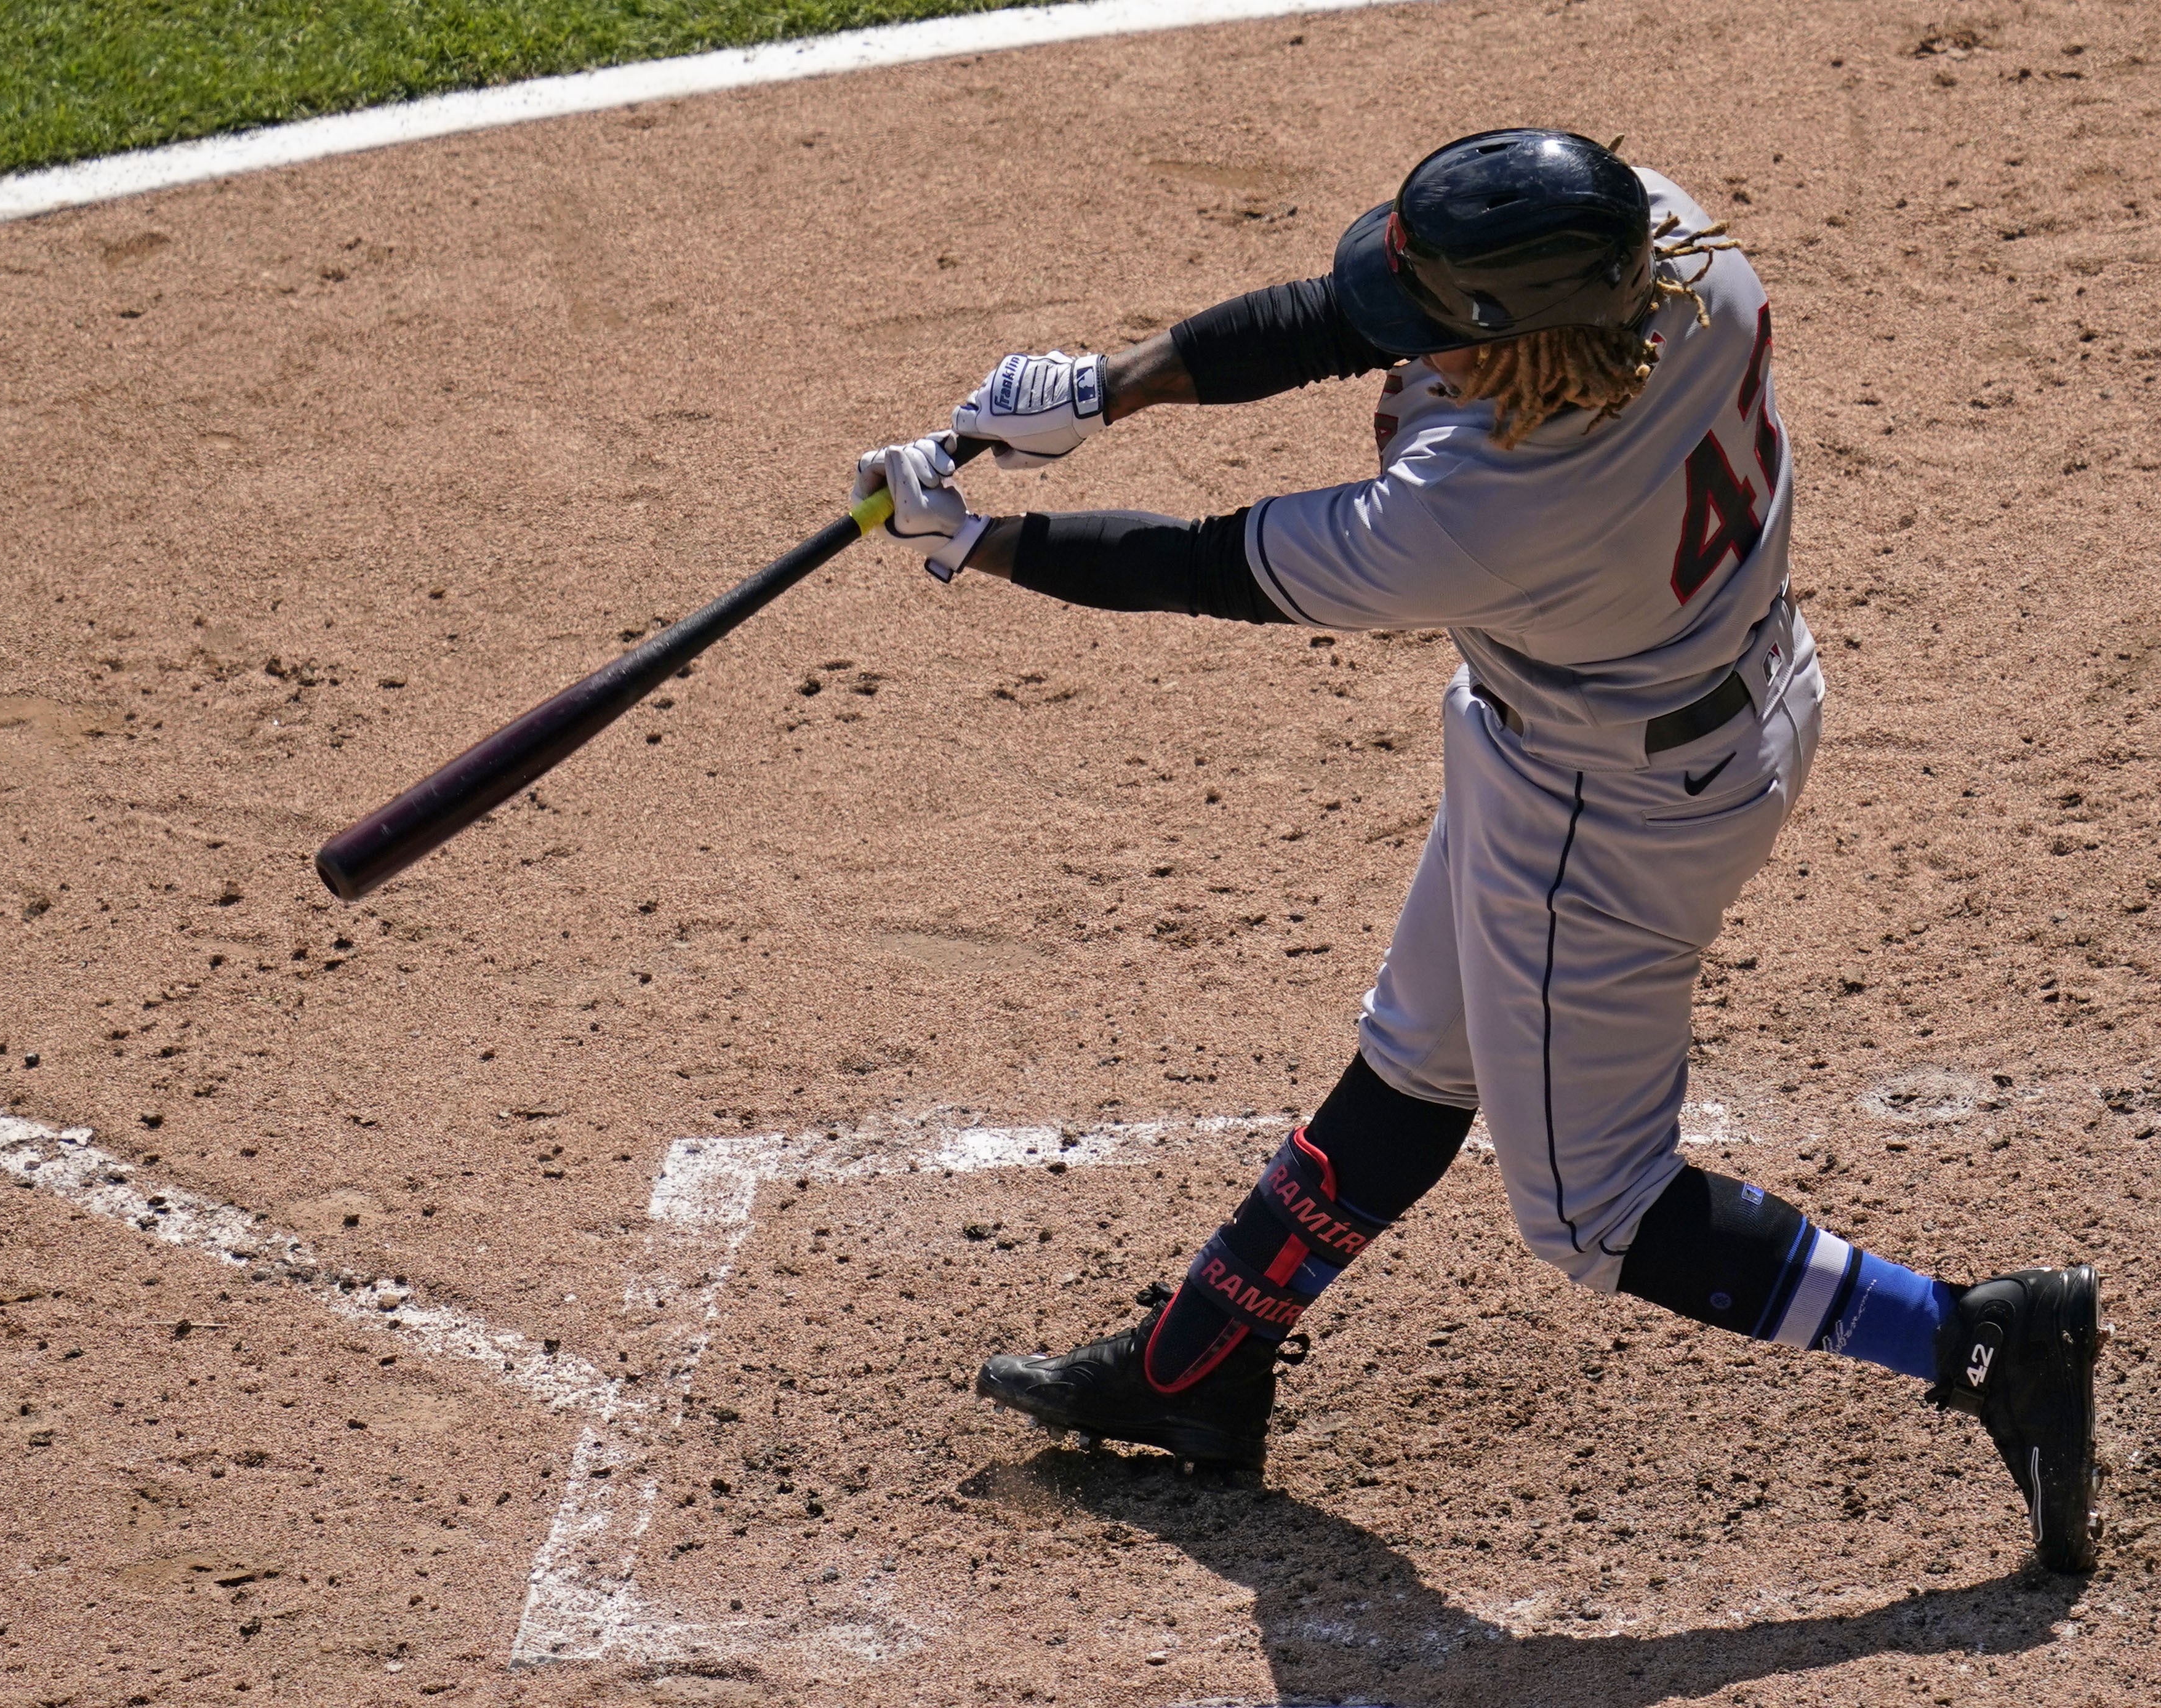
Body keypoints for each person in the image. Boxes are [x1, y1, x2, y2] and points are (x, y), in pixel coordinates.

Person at [850, 129, 2104, 1573]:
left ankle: (1976, 1336)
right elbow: (1352, 312)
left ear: (1512, 332)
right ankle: (1195, 1364)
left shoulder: (1482, 509)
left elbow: (1200, 565)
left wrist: (979, 538)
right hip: (1703, 693)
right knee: (1421, 1052)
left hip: (1609, 807)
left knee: (1595, 1209)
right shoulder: (1678, 254)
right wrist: (1106, 385)